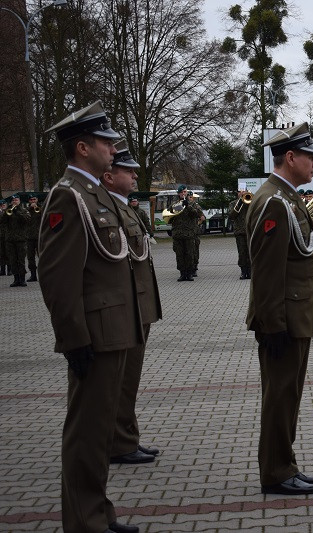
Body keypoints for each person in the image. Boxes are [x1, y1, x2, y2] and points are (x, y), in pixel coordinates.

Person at [38, 101, 142, 533]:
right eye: (105, 140)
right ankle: (85, 522)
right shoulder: (69, 195)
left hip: (113, 331)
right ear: (82, 147)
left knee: (99, 432)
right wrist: (74, 339)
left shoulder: (96, 193)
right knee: (86, 433)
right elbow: (57, 277)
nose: (112, 146)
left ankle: (97, 512)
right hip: (93, 337)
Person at [245, 122, 313, 496]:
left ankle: (284, 464)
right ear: (290, 157)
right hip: (283, 320)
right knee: (279, 397)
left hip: (296, 316)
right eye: (309, 156)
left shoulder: (290, 197)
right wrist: (272, 324)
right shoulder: (273, 201)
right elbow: (265, 272)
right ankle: (276, 472)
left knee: (287, 396)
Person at [100, 140, 163, 466]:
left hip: (139, 307)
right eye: (128, 170)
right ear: (109, 176)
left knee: (130, 379)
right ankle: (119, 443)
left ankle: (126, 438)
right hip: (125, 309)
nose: (136, 175)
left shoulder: (124, 207)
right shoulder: (106, 207)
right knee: (121, 381)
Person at [167, 184, 203, 280]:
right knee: (179, 254)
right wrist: (180, 205)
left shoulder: (191, 204)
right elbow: (169, 214)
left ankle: (190, 273)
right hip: (178, 234)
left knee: (190, 254)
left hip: (189, 233)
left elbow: (196, 214)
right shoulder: (174, 203)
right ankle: (182, 273)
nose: (184, 193)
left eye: (185, 192)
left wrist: (187, 206)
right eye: (182, 192)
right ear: (179, 193)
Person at [4, 194, 31, 287]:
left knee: (21, 260)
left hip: (21, 239)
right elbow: (2, 221)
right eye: (13, 200)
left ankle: (22, 279)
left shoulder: (24, 210)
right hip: (10, 240)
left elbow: (27, 220)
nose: (14, 202)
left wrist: (18, 212)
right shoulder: (8, 211)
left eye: (16, 200)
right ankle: (16, 279)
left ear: (19, 201)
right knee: (13, 260)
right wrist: (6, 212)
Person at [228, 189, 251, 279]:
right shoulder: (233, 203)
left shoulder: (250, 201)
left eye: (243, 191)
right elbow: (231, 216)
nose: (242, 193)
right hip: (239, 232)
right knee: (242, 252)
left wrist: (248, 202)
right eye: (239, 192)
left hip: (250, 231)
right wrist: (239, 204)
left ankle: (250, 271)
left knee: (250, 252)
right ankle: (243, 271)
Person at [26, 195, 42, 281]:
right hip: (29, 237)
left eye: (34, 199)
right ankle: (33, 275)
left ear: (37, 200)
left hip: (39, 236)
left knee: (41, 256)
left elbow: (45, 216)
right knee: (30, 257)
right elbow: (23, 218)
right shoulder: (26, 210)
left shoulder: (41, 208)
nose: (33, 201)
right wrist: (30, 209)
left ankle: (44, 274)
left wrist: (37, 208)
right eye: (31, 199)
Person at [191, 192, 204, 277]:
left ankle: (194, 268)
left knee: (195, 251)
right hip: (184, 232)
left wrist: (197, 224)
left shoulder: (196, 206)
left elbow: (202, 218)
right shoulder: (180, 205)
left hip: (194, 232)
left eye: (192, 197)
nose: (190, 198)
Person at [0, 198, 8, 276]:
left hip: (7, 235)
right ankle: (2, 270)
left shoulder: (9, 212)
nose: (2, 206)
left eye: (4, 205)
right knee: (1, 253)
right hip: (1, 236)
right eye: (1, 205)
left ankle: (9, 270)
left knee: (9, 253)